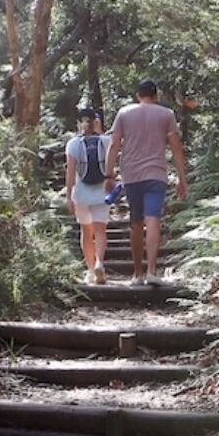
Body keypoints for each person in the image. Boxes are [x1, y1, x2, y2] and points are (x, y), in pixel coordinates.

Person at [105, 79, 188, 286]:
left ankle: (137, 274)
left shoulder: (124, 113)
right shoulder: (166, 114)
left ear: (137, 95)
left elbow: (115, 143)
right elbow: (176, 147)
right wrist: (182, 179)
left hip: (131, 175)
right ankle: (152, 271)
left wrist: (108, 174)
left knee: (135, 222)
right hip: (156, 173)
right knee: (153, 220)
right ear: (156, 95)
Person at [65, 107, 111, 285]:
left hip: (81, 194)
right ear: (96, 121)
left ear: (79, 123)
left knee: (86, 232)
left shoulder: (73, 144)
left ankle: (91, 271)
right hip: (102, 192)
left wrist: (69, 196)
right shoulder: (106, 141)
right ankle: (100, 261)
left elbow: (70, 173)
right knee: (100, 230)